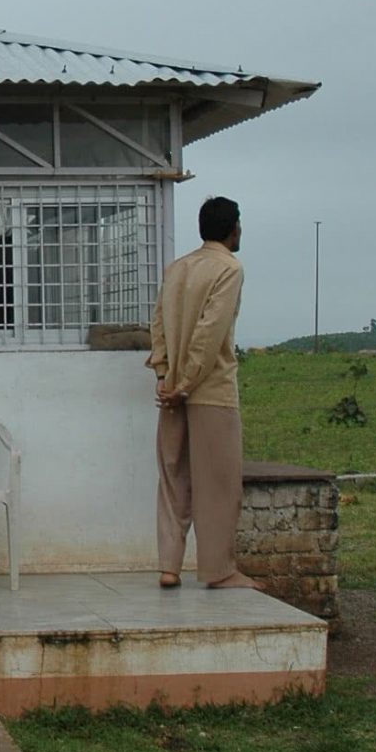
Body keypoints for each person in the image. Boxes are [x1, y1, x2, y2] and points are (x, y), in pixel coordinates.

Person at [145, 195, 262, 591]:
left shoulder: (177, 268)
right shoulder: (229, 269)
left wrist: (165, 376)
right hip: (209, 391)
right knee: (218, 484)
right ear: (233, 228)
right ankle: (219, 571)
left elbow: (158, 325)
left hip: (170, 392)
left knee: (173, 479)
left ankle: (169, 567)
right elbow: (210, 333)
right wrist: (186, 384)